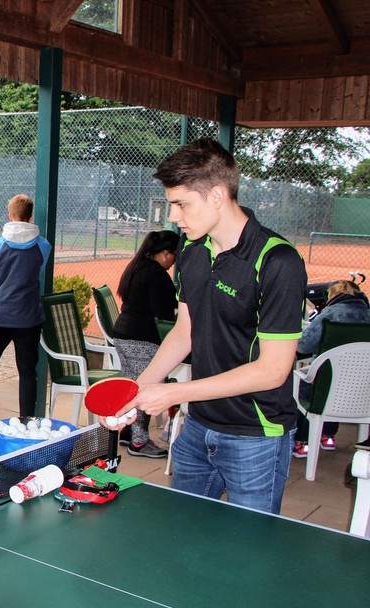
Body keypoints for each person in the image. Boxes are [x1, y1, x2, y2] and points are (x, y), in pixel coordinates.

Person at [124, 138, 306, 515]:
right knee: (183, 533)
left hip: (256, 437)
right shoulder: (192, 251)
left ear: (218, 195)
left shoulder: (278, 261)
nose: (173, 216)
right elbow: (184, 331)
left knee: (246, 545)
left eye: (182, 204)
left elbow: (273, 371)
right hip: (197, 428)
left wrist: (175, 393)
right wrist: (137, 390)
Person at [0, 194, 51, 424]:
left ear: (10, 215)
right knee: (27, 371)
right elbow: (38, 273)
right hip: (29, 318)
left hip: (2, 315)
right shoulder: (43, 246)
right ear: (30, 216)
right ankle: (26, 420)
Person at [110, 229, 181, 458]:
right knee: (146, 387)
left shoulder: (138, 266)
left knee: (132, 384)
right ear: (166, 253)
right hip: (141, 337)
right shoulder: (157, 274)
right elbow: (164, 312)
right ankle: (139, 442)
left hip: (123, 333)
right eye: (174, 256)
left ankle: (128, 430)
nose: (174, 262)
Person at [293, 279, 370, 456]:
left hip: (325, 392)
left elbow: (303, 346)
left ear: (333, 295)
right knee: (339, 376)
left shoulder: (330, 314)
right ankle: (328, 436)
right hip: (363, 393)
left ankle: (303, 442)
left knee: (312, 380)